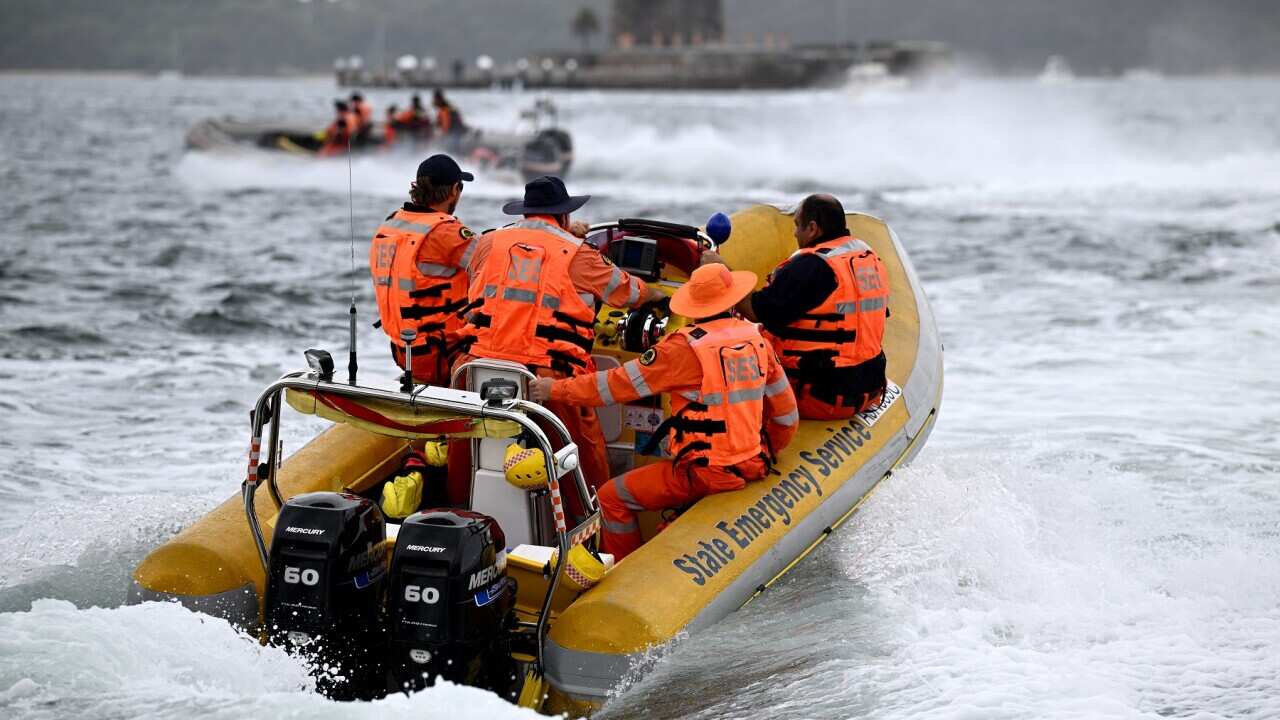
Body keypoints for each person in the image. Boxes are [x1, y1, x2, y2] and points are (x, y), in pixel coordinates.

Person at [529, 263, 799, 560]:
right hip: (752, 464)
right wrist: (760, 452)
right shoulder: (756, 338)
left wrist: (553, 389)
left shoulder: (682, 349)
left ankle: (623, 570)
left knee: (610, 497)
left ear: (695, 306)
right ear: (732, 300)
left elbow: (611, 387)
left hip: (703, 473)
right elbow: (786, 417)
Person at [455, 175, 665, 507]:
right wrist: (659, 296)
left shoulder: (487, 242)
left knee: (465, 455)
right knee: (581, 460)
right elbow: (629, 293)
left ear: (526, 212)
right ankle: (590, 527)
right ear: (564, 216)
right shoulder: (578, 254)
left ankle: (461, 508)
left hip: (475, 370)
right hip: (549, 379)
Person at [738, 194, 890, 419]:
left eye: (797, 225)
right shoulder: (866, 256)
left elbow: (755, 312)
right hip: (869, 387)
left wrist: (723, 278)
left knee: (728, 359)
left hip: (820, 396)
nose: (794, 233)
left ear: (812, 228)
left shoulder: (811, 267)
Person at [369, 154, 479, 386]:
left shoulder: (391, 223)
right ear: (454, 190)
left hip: (404, 350)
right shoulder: (447, 233)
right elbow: (496, 261)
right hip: (444, 353)